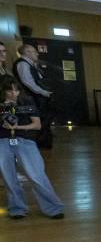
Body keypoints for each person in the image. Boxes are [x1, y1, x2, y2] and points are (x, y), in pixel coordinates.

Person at [0, 77, 65, 219]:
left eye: (16, 90)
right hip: (2, 141)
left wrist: (17, 127)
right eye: (9, 90)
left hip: (25, 140)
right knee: (8, 177)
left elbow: (37, 125)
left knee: (36, 175)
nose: (13, 93)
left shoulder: (27, 101)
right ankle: (17, 208)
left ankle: (54, 207)